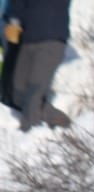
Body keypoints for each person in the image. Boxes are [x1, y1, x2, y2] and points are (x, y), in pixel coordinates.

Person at [5, 0, 71, 131]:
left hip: (51, 40)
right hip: (27, 41)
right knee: (18, 93)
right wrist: (13, 22)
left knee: (35, 89)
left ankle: (28, 131)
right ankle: (59, 120)